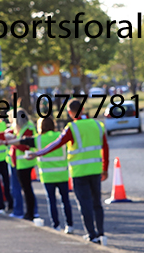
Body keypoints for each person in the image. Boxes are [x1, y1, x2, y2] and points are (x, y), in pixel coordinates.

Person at [28, 99, 108, 244]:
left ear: (70, 113)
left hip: (79, 172)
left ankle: (92, 234)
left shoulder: (72, 128)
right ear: (83, 109)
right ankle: (101, 233)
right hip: (96, 170)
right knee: (97, 203)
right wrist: (105, 168)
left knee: (85, 204)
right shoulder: (98, 124)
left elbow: (57, 143)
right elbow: (105, 147)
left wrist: (38, 153)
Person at [6, 109, 38, 221]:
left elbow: (25, 145)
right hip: (21, 161)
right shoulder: (24, 127)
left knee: (25, 189)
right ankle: (31, 212)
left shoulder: (27, 128)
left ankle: (29, 212)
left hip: (24, 162)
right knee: (26, 189)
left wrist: (13, 143)